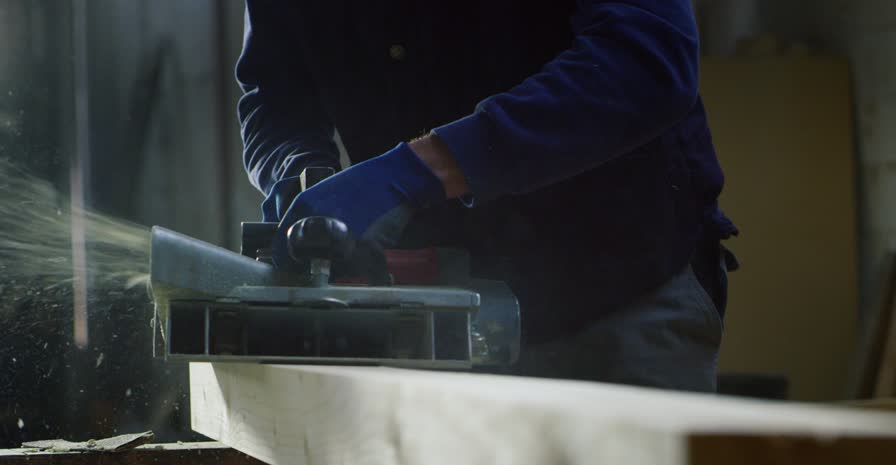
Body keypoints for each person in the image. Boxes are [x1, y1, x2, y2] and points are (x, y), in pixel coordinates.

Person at [236, 1, 737, 392]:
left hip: (620, 293)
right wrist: (301, 173)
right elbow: (275, 94)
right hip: (438, 317)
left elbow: (648, 60)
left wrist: (420, 170)